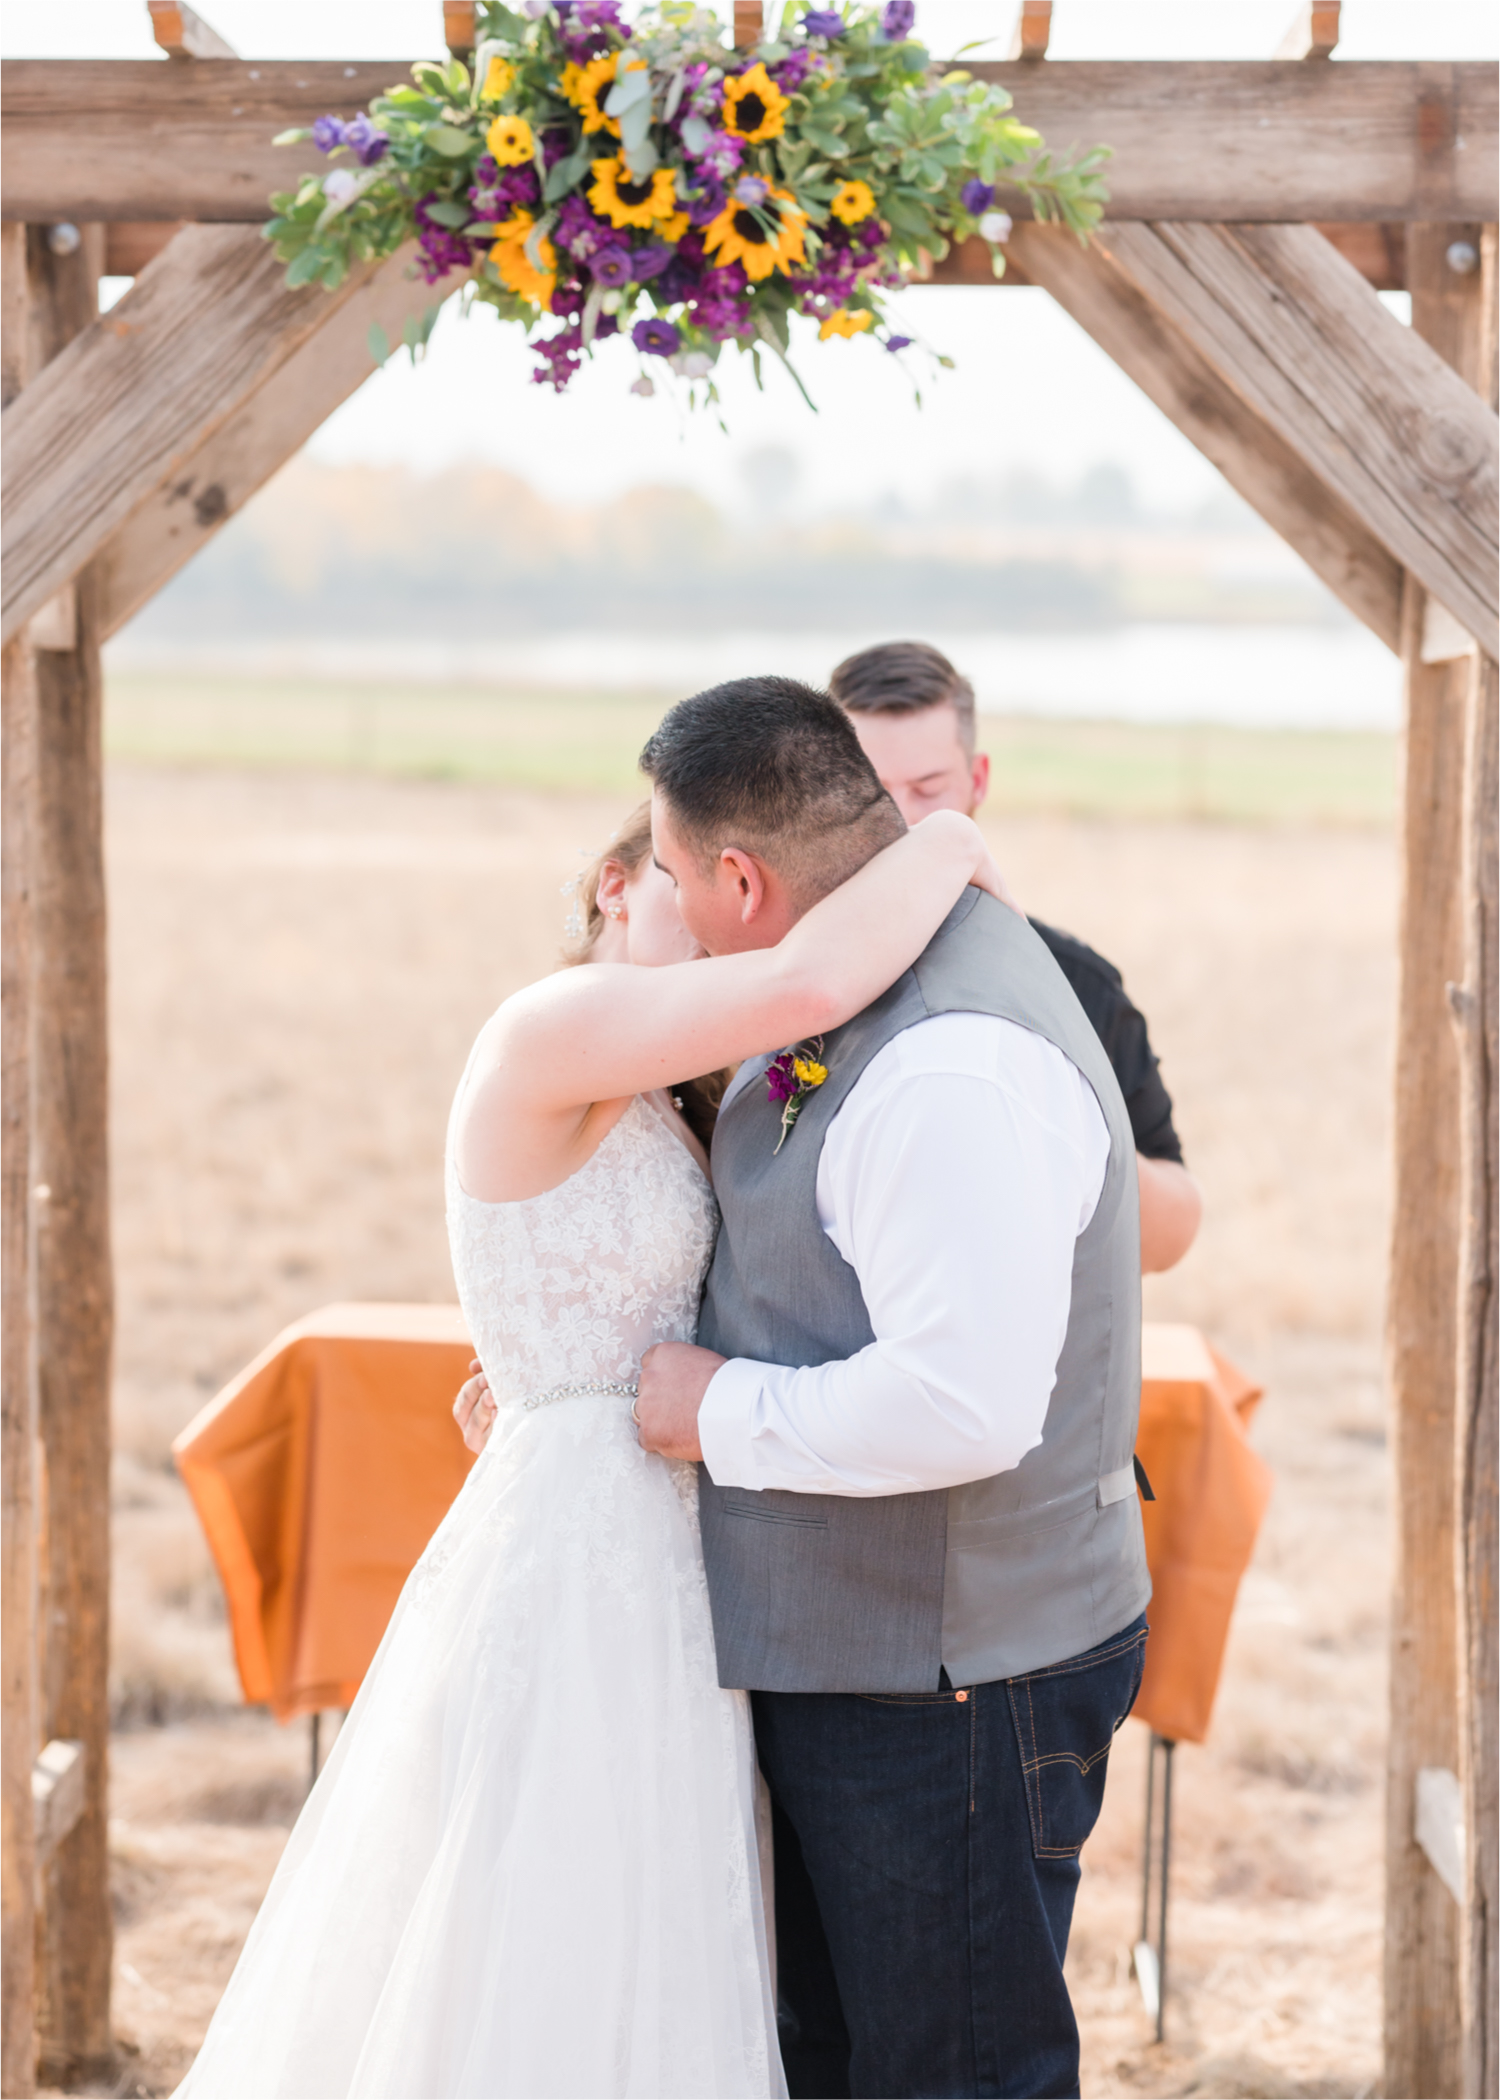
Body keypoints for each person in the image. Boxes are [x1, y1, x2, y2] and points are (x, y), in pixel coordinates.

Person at [175, 760, 1008, 2098]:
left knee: (655, 1900)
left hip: (670, 1539)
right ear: (613, 888)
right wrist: (951, 833)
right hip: (581, 1541)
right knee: (552, 1893)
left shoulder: (668, 1093)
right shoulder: (555, 1022)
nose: (718, 920)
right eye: (682, 883)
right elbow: (807, 984)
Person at [464, 675, 1150, 2098]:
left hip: (947, 1678)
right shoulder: (755, 1010)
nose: (657, 896)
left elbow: (964, 1405)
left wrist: (706, 1409)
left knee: (951, 2072)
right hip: (781, 1634)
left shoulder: (945, 1064)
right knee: (813, 2049)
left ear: (738, 880)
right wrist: (556, 1379)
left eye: (670, 868)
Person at [828, 638, 1203, 1275]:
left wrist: (1060, 1111)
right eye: (868, 790)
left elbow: (1173, 1235)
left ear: (978, 781)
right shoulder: (769, 964)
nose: (899, 822)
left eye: (927, 788)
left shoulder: (1071, 981)